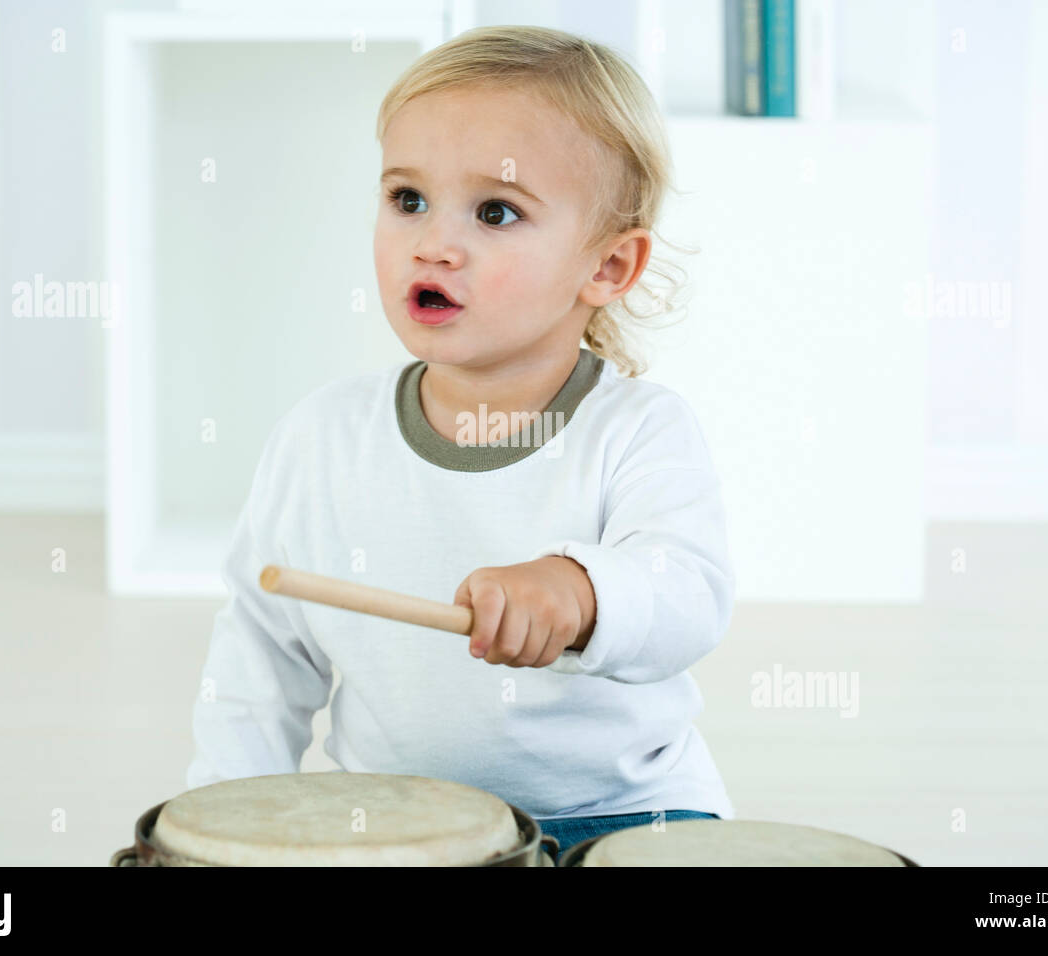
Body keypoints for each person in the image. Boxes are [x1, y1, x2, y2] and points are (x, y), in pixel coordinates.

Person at [187, 24, 736, 858]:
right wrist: (218, 828)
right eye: (407, 199)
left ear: (609, 268)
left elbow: (688, 596)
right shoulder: (321, 438)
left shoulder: (638, 430)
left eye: (496, 211)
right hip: (401, 821)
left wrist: (580, 591)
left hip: (625, 810)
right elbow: (258, 663)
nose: (434, 243)